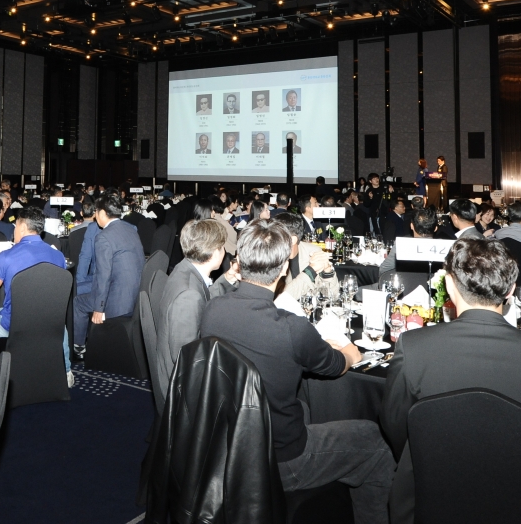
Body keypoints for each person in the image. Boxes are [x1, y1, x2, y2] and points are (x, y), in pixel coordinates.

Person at [382, 238, 521, 524]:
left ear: (449, 284)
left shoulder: (413, 347)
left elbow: (396, 429)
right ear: (511, 291)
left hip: (431, 499)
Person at [200, 220, 394, 523]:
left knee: (304, 407)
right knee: (374, 440)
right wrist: (349, 350)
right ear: (282, 270)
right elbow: (336, 366)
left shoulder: (212, 309)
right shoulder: (291, 328)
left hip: (228, 445)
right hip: (281, 459)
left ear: (238, 262)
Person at [0, 206, 72, 383]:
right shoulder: (58, 256)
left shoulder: (6, 257)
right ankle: (66, 372)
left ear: (22, 227)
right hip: (50, 322)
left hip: (15, 324)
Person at [155, 220, 233, 384]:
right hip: (178, 385)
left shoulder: (184, 267)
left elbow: (202, 296)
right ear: (214, 253)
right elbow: (186, 357)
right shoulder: (188, 296)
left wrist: (227, 280)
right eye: (222, 247)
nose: (224, 251)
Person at [72, 194, 145, 357]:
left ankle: (78, 347)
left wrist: (99, 308)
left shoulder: (103, 237)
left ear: (103, 213)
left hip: (118, 301)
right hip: (135, 295)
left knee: (78, 303)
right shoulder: (130, 229)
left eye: (96, 212)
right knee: (83, 289)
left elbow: (103, 276)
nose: (94, 216)